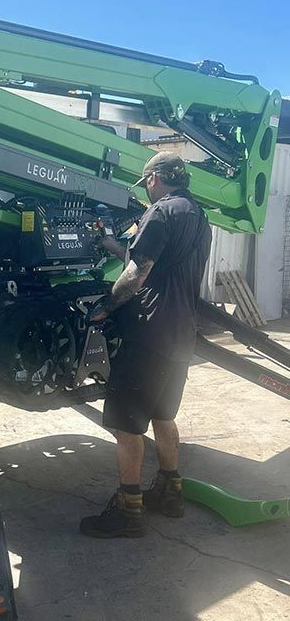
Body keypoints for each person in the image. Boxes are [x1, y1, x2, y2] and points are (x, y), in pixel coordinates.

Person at [80, 151, 212, 539]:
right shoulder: (198, 217)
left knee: (127, 424)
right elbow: (153, 262)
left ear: (154, 178)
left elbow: (138, 273)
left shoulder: (159, 213)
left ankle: (128, 508)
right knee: (163, 416)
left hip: (149, 334)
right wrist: (111, 245)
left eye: (147, 184)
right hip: (181, 336)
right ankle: (171, 492)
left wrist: (107, 304)